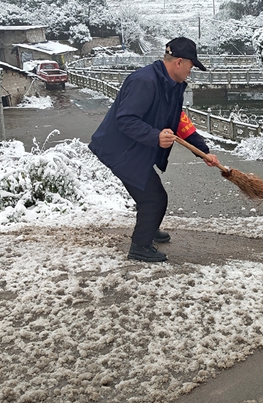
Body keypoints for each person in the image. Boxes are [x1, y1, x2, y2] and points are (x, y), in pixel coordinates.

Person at [89, 37, 219, 263]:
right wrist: (155, 136)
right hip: (121, 150)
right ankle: (140, 246)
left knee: (151, 195)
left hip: (138, 147)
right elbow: (126, 119)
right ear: (179, 62)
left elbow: (178, 119)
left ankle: (148, 228)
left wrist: (202, 150)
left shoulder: (173, 85)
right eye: (191, 66)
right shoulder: (144, 81)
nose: (191, 71)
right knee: (154, 198)